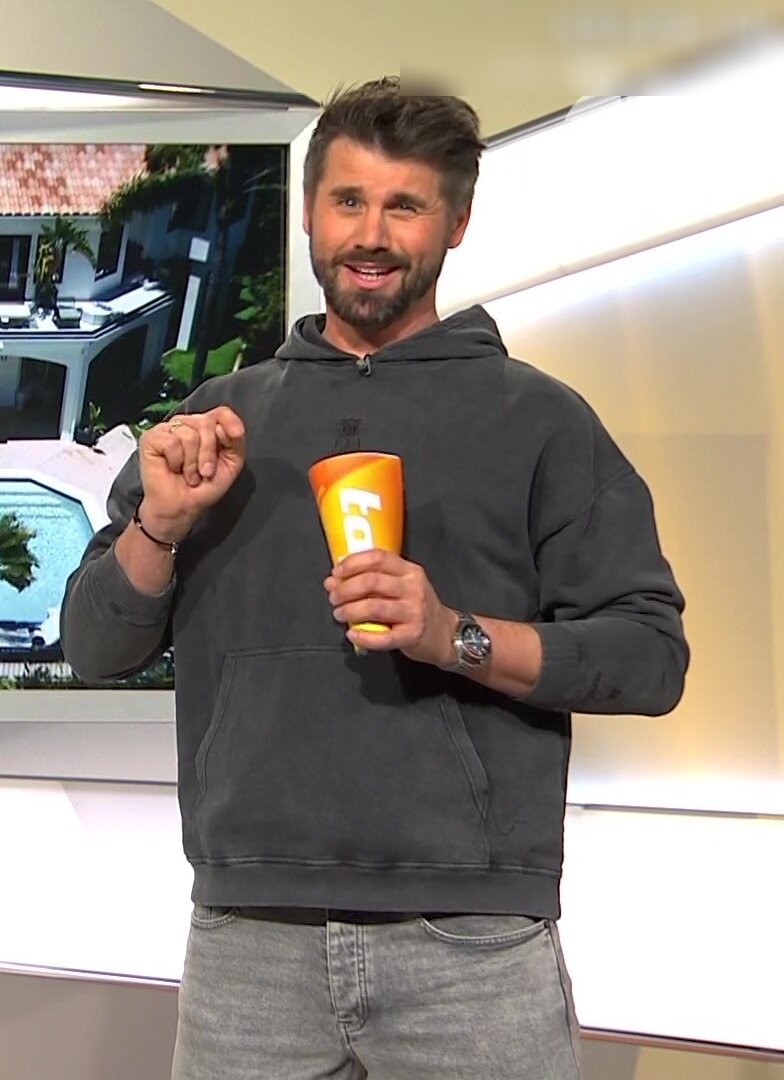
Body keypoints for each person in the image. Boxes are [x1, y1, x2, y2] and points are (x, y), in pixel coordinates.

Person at [61, 77, 688, 1079]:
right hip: (246, 943)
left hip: (473, 947)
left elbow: (650, 658)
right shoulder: (215, 423)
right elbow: (95, 647)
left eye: (406, 206)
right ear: (310, 212)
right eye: (349, 200)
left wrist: (453, 635)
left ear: (456, 223)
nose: (371, 234)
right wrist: (160, 526)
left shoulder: (540, 421)